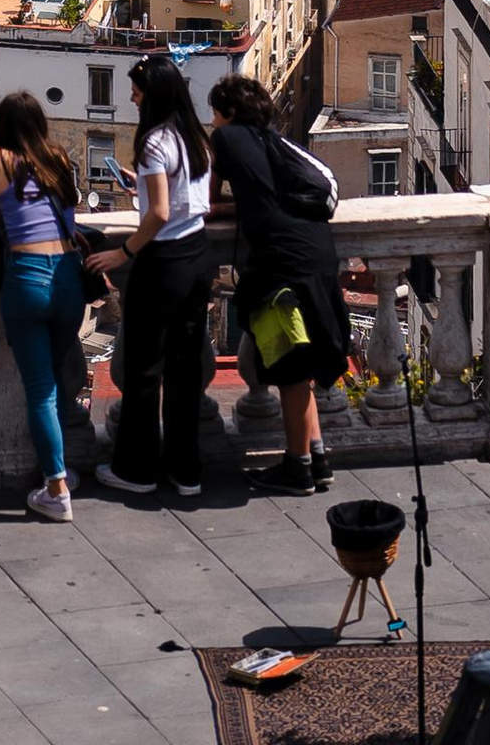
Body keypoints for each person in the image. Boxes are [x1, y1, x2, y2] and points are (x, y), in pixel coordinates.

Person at [206, 71, 346, 492]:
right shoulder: (274, 143)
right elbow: (264, 200)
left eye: (214, 114)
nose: (212, 122)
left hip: (283, 266)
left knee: (289, 370)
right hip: (317, 253)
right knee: (301, 370)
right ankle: (317, 458)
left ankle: (297, 467)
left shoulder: (230, 140)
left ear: (228, 113)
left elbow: (211, 202)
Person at [96, 54, 215, 504]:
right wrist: (141, 185)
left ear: (154, 94)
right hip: (199, 255)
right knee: (185, 370)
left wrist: (123, 251)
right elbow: (185, 197)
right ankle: (187, 472)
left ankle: (137, 468)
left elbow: (161, 212)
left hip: (162, 261)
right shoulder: (195, 137)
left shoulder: (152, 144)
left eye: (137, 90)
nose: (131, 96)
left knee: (145, 368)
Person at [0, 93, 91, 523]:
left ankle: (56, 486)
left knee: (41, 390)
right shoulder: (59, 158)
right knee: (59, 384)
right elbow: (70, 211)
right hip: (67, 279)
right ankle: (61, 469)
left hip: (27, 275)